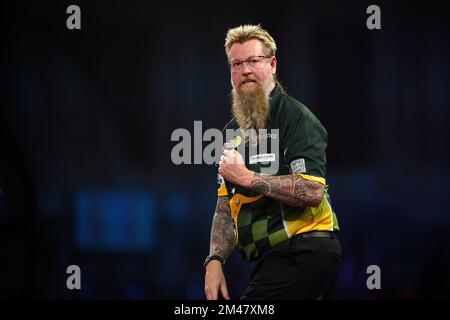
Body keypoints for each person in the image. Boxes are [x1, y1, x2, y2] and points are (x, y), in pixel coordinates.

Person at [204, 24, 342, 300]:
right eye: (237, 63)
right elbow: (225, 205)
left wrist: (246, 177)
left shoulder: (296, 119)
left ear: (273, 64)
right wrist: (215, 260)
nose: (245, 70)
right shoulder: (231, 133)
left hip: (305, 248)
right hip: (270, 257)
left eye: (254, 61)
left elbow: (312, 192)